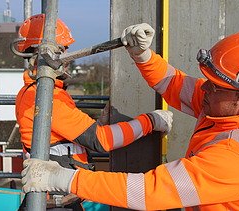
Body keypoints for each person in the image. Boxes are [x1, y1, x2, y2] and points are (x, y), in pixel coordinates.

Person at [21, 23, 239, 211]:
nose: (203, 89)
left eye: (215, 87)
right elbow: (175, 84)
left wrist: (64, 179)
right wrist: (143, 56)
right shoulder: (226, 108)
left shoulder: (236, 157)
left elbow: (148, 191)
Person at [16, 15, 173, 210]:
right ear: (42, 54)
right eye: (61, 51)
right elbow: (101, 141)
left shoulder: (43, 93)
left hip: (57, 197)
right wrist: (151, 121)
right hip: (54, 200)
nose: (67, 58)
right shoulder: (43, 97)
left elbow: (67, 140)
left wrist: (98, 123)